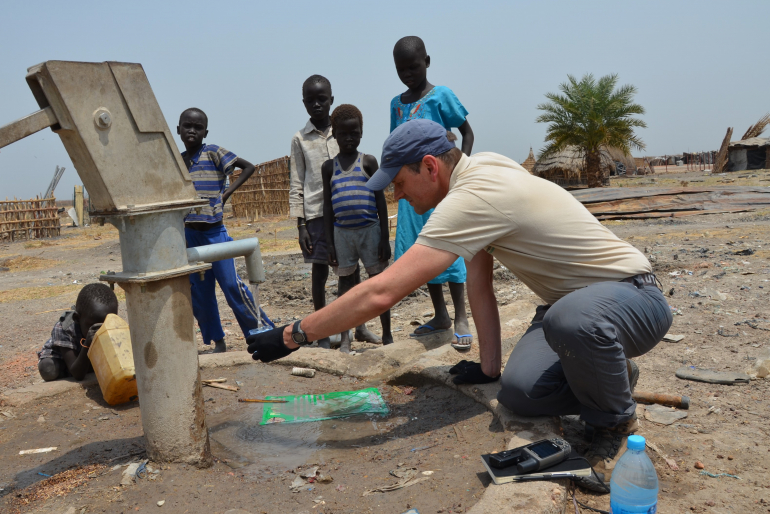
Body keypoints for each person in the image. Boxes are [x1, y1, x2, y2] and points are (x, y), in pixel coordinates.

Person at [248, 119, 672, 494]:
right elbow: (479, 282)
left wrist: (294, 334)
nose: (398, 195)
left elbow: (382, 293)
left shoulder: (470, 199)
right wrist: (488, 369)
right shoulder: (481, 167)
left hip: (631, 297)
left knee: (569, 319)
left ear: (430, 167)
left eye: (400, 182)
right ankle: (610, 375)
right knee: (521, 393)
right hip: (570, 309)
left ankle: (615, 426)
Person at [390, 35, 474, 351]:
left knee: (448, 245)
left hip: (442, 189)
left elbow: (466, 133)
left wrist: (459, 174)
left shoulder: (441, 96)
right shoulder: (396, 104)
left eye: (413, 67)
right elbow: (396, 149)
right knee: (423, 248)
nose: (408, 74)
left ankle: (461, 316)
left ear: (427, 62)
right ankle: (441, 315)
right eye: (401, 69)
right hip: (415, 194)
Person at [289, 75, 380, 349]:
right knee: (320, 272)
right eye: (311, 100)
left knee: (352, 273)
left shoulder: (343, 128)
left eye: (322, 99)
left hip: (346, 214)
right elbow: (297, 182)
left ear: (331, 99)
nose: (317, 104)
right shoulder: (300, 139)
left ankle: (359, 327)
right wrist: (301, 225)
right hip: (317, 214)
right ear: (303, 102)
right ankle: (321, 333)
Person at [178, 107, 270, 353]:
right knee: (200, 293)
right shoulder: (178, 162)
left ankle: (263, 332)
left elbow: (248, 167)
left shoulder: (213, 152)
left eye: (198, 127)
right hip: (190, 234)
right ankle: (217, 341)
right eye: (187, 126)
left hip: (215, 234)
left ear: (205, 132)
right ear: (178, 130)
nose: (192, 131)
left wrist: (227, 193)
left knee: (231, 286)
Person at [322, 104, 392, 353]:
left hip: (370, 231)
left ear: (362, 132)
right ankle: (345, 338)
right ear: (334, 134)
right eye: (343, 134)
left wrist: (385, 238)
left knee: (378, 285)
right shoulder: (329, 167)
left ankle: (387, 335)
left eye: (354, 133)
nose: (349, 138)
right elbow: (327, 207)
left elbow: (381, 202)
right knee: (345, 288)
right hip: (342, 235)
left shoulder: (369, 162)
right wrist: (330, 244)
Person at [37, 283, 119, 381]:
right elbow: (78, 375)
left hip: (86, 357)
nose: (101, 330)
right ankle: (67, 373)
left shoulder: (114, 323)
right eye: (94, 326)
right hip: (64, 359)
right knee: (48, 369)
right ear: (77, 318)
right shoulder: (64, 328)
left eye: (105, 324)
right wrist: (88, 343)